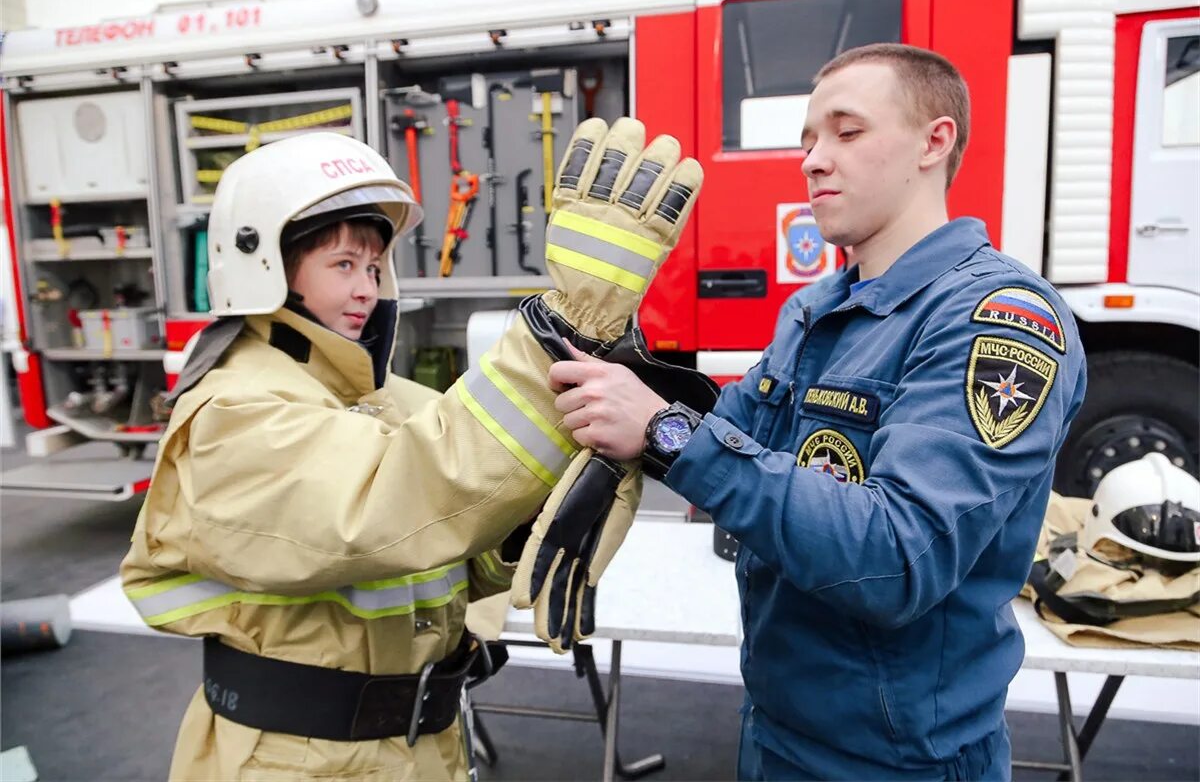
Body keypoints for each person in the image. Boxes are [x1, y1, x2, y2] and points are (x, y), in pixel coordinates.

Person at [550, 44, 1088, 780]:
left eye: (847, 131)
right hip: (777, 728)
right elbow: (732, 431)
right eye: (808, 139)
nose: (812, 160)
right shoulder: (817, 309)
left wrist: (664, 431)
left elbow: (900, 557)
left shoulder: (992, 319)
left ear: (936, 142)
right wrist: (610, 344)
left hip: (899, 762)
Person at [119, 124, 699, 780]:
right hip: (293, 761)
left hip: (421, 749)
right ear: (265, 267)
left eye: (373, 266)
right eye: (343, 265)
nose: (367, 287)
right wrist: (570, 322)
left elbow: (448, 543)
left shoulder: (382, 396)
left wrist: (519, 523)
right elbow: (385, 503)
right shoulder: (233, 410)